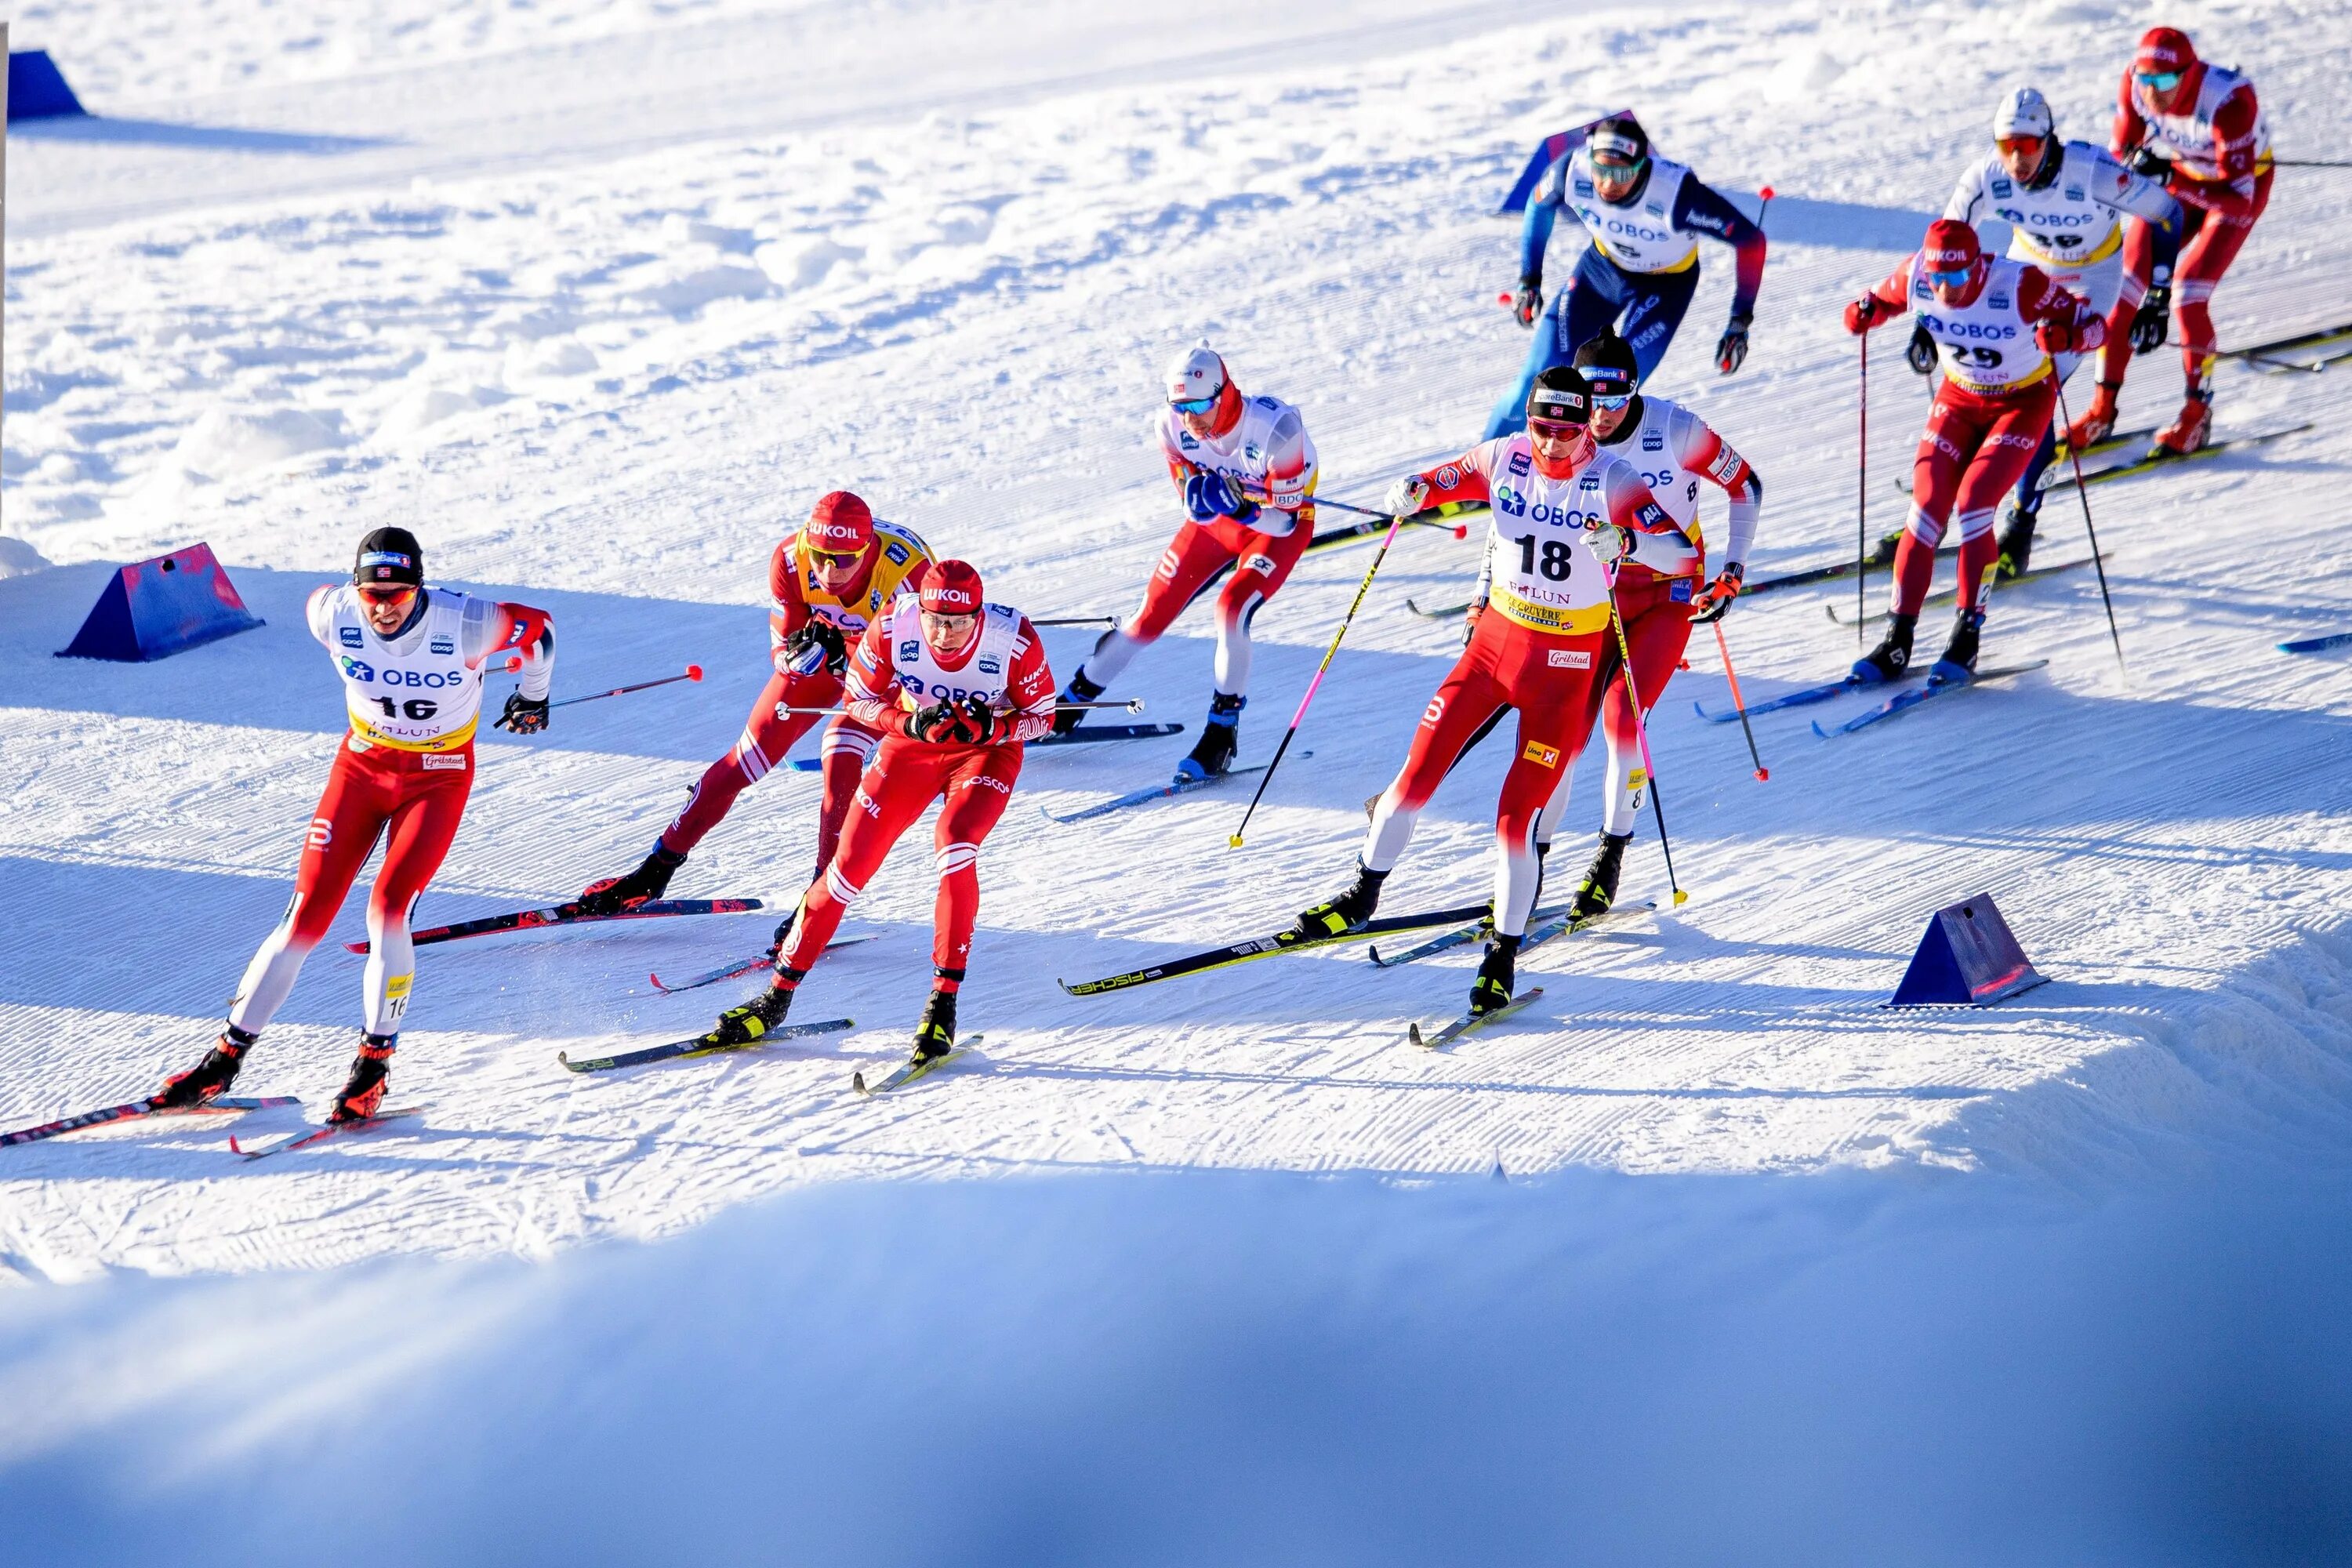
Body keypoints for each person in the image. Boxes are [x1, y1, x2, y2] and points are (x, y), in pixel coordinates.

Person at [1292, 367, 1678, 1019]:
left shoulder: (1614, 478)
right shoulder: (1504, 456)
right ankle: (1361, 894)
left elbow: (1677, 553)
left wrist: (1633, 541)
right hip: (1491, 651)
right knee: (1414, 776)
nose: (1553, 444)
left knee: (1514, 820)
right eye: (1541, 427)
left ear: (1589, 425)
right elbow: (1438, 481)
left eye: (1567, 430)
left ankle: (1502, 954)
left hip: (1563, 669)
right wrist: (1413, 490)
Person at [150, 528, 555, 1123]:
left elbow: (540, 630)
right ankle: (222, 1063)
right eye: (373, 594)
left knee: (389, 909)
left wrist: (532, 696)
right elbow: (322, 600)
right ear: (355, 589)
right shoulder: (330, 611)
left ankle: (372, 1068)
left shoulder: (466, 623)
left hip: (437, 776)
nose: (385, 606)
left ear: (419, 586)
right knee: (304, 915)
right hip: (362, 769)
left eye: (398, 593)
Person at [696, 560, 1055, 1072]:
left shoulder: (1012, 638)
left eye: (957, 623)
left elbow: (1043, 717)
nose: (943, 633)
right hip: (912, 746)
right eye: (935, 620)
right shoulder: (893, 624)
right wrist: (907, 719)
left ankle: (942, 1005)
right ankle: (775, 998)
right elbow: (856, 701)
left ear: (979, 617)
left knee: (955, 842)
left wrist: (990, 731)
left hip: (983, 754)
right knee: (845, 871)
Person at [575, 492, 933, 953]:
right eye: (821, 556)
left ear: (866, 552)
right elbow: (784, 658)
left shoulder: (908, 575)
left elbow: (913, 670)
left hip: (885, 668)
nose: (829, 572)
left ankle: (818, 905)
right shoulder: (790, 558)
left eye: (843, 561)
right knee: (746, 757)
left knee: (840, 753)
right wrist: (806, 648)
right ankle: (654, 871)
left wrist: (847, 649)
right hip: (837, 659)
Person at [1533, 332, 1761, 920]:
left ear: (1638, 390)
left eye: (1617, 398)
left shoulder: (1677, 430)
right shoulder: (1562, 437)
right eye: (1591, 400)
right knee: (1563, 726)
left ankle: (1610, 857)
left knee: (1623, 717)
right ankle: (1530, 861)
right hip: (1595, 590)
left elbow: (1746, 485)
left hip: (1667, 591)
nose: (1602, 414)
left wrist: (1733, 569)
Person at [1842, 219, 2106, 683]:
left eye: (1958, 279)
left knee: (1975, 503)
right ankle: (1897, 640)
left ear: (1978, 269)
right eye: (1938, 279)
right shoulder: (1916, 273)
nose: (1945, 289)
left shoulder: (2020, 283)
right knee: (1924, 509)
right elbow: (1875, 303)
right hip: (1960, 398)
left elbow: (2093, 327)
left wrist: (2064, 340)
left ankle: (1966, 637)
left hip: (2021, 402)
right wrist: (1863, 314)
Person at [1944, 86, 2183, 576]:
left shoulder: (2090, 172)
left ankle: (2021, 524)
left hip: (2091, 277)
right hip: (2027, 268)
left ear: (2048, 141)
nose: (2016, 159)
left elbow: (2168, 213)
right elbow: (1947, 244)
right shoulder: (1987, 178)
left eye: (2027, 147)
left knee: (2036, 384)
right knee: (1972, 373)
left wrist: (2158, 297)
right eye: (2006, 146)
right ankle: (1945, 498)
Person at [1054, 343, 1317, 782]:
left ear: (1224, 393)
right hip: (1219, 525)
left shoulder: (1277, 430)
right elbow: (1191, 502)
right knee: (1145, 619)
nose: (1191, 418)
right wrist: (1203, 502)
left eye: (1199, 404)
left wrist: (1242, 509)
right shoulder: (1171, 427)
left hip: (1273, 528)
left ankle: (1221, 734)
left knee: (1231, 611)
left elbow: (1286, 525)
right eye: (1181, 407)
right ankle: (1073, 701)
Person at [1487, 113, 1766, 441]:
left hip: (1664, 288)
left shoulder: (1677, 193)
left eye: (1622, 174)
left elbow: (1751, 241)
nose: (1608, 184)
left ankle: (1575, 484)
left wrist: (1739, 321)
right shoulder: (1570, 170)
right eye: (1601, 171)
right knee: (1533, 382)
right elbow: (1538, 205)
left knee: (1610, 403)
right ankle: (1476, 480)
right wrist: (1529, 281)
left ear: (1643, 167)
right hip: (1601, 273)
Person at [2080, 25, 2271, 456]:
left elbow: (2238, 203)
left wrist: (2171, 176)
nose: (2153, 92)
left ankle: (2197, 415)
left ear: (2190, 75)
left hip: (2235, 189)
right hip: (2180, 184)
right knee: (2124, 289)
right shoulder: (2134, 84)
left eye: (2164, 82)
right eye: (2146, 80)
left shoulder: (2229, 102)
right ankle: (2101, 410)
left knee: (2187, 294)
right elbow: (2119, 154)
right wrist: (2136, 166)